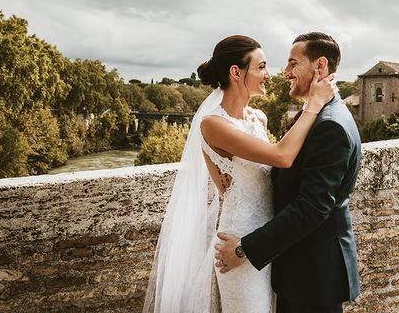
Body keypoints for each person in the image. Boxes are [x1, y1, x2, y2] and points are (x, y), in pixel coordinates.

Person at [142, 34, 336, 313]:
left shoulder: (259, 118)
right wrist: (314, 105)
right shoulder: (213, 125)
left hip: (267, 240)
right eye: (261, 67)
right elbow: (282, 156)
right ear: (236, 72)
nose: (269, 75)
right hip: (240, 239)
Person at [215, 32, 361, 313]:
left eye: (293, 64)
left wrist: (245, 249)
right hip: (298, 268)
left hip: (313, 274)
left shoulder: (330, 125)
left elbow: (312, 207)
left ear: (319, 67)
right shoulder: (319, 114)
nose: (285, 72)